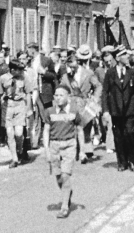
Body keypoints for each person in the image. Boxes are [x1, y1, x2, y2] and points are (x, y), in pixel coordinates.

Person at [43, 85, 84, 218]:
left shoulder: (74, 110)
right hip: (54, 145)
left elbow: (79, 130)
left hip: (69, 145)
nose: (58, 98)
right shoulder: (49, 111)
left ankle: (64, 207)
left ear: (68, 97)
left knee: (66, 175)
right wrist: (47, 151)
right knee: (58, 176)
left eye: (61, 95)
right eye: (56, 95)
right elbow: (46, 131)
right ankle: (67, 192)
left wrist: (82, 150)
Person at [102, 45, 134, 172]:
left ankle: (132, 160)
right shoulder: (110, 73)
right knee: (118, 136)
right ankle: (122, 162)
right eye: (124, 55)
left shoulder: (132, 72)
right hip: (116, 110)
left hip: (130, 109)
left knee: (130, 134)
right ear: (118, 57)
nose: (127, 57)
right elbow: (105, 92)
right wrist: (105, 111)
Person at [60, 45, 102, 163]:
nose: (71, 69)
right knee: (71, 129)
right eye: (69, 67)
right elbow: (61, 89)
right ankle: (76, 152)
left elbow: (98, 86)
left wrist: (95, 98)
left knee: (85, 128)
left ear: (77, 63)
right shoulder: (65, 77)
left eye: (73, 67)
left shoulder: (88, 73)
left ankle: (85, 150)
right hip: (71, 104)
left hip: (84, 103)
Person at [0, 60, 35, 168]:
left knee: (18, 133)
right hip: (8, 106)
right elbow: (0, 92)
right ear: (12, 70)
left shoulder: (24, 78)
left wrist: (28, 109)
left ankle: (20, 150)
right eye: (19, 70)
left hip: (20, 105)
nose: (21, 72)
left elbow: (28, 94)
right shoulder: (3, 78)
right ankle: (14, 158)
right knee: (9, 133)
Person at [27, 42, 56, 150]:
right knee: (35, 117)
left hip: (44, 92)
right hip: (33, 92)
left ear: (33, 49)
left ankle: (51, 139)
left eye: (28, 50)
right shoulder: (29, 62)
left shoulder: (46, 60)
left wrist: (43, 72)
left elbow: (53, 76)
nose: (28, 52)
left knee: (46, 117)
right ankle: (35, 142)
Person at [94, 46, 117, 153]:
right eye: (106, 60)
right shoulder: (99, 71)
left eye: (110, 60)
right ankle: (103, 136)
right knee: (102, 122)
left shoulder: (116, 70)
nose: (108, 62)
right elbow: (96, 86)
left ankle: (110, 144)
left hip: (114, 98)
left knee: (111, 122)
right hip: (102, 98)